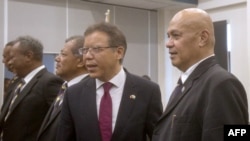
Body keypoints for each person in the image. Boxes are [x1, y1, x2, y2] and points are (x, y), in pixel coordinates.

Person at [152, 8, 249, 141]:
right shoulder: (185, 84)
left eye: (176, 36)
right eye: (168, 36)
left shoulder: (222, 84)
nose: (168, 44)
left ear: (202, 38)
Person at [57, 22, 163, 141]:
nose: (87, 56)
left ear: (119, 52)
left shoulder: (147, 91)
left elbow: (157, 136)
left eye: (96, 49)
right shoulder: (73, 94)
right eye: (85, 50)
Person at [0, 35, 64, 141]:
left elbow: (58, 123)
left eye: (12, 57)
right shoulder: (17, 82)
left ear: (28, 56)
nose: (9, 62)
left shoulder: (49, 82)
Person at [36, 35, 89, 141]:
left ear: (81, 62)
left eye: (63, 54)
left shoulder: (88, 93)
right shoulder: (65, 88)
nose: (57, 58)